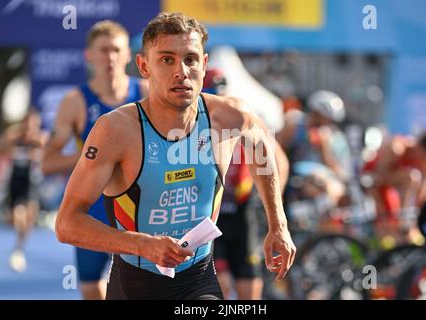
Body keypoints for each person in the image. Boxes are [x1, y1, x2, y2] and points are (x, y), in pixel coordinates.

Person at [55, 12, 296, 300]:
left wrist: (277, 224)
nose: (181, 71)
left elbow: (263, 149)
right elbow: (66, 223)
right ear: (144, 66)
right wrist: (144, 245)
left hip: (198, 282)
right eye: (166, 59)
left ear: (204, 65)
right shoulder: (115, 130)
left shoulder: (230, 116)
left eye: (190, 59)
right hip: (134, 286)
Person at [42, 20, 148, 299]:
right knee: (91, 288)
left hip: (138, 207)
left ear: (128, 56)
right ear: (89, 55)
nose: (110, 57)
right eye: (103, 50)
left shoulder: (147, 94)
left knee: (142, 288)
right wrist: (98, 153)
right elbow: (48, 162)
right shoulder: (75, 102)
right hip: (94, 208)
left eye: (116, 50)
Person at [203, 68, 289, 300]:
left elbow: (278, 159)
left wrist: (270, 200)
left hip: (243, 211)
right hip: (212, 215)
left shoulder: (239, 114)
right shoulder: (193, 117)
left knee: (251, 291)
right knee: (221, 285)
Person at [0, 109, 48, 272]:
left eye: (34, 123)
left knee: (29, 220)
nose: (30, 127)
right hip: (16, 181)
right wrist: (12, 133)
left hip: (32, 182)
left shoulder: (41, 138)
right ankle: (17, 249)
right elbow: (0, 147)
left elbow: (47, 150)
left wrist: (37, 149)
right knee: (18, 215)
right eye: (27, 123)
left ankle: (19, 248)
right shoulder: (14, 138)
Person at [362, 130, 426, 223]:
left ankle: (403, 218)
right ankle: (403, 217)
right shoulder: (397, 148)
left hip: (388, 186)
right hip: (372, 179)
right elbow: (378, 177)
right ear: (419, 146)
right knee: (411, 177)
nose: (424, 159)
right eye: (424, 154)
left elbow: (423, 196)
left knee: (393, 224)